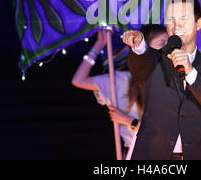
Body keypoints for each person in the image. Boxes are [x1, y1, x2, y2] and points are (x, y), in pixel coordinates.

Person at [123, 0, 201, 160]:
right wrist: (139, 44)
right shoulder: (155, 60)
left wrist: (191, 72)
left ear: (198, 23)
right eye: (170, 19)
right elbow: (141, 63)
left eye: (183, 19)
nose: (176, 25)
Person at [71, 25, 168, 158]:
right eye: (163, 44)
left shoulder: (173, 82)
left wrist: (130, 121)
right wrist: (99, 45)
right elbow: (79, 80)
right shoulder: (123, 81)